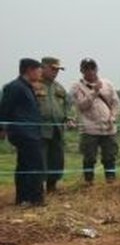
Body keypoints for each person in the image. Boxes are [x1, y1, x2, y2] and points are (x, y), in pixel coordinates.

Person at [0, 58, 48, 206]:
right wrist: (1, 128)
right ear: (29, 70)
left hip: (31, 131)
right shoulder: (15, 87)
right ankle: (34, 199)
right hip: (24, 133)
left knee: (25, 165)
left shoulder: (26, 86)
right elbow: (4, 109)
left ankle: (23, 199)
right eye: (39, 69)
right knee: (35, 165)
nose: (40, 73)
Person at [70, 58, 120, 185]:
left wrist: (113, 116)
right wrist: (94, 91)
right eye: (86, 68)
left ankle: (111, 181)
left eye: (92, 68)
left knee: (110, 156)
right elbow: (82, 105)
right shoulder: (77, 87)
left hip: (108, 128)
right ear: (82, 71)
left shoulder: (107, 83)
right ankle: (88, 182)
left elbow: (116, 102)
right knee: (89, 157)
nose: (90, 71)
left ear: (97, 69)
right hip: (89, 129)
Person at [36, 57, 71, 195]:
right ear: (43, 67)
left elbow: (66, 107)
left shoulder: (59, 88)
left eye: (58, 69)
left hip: (57, 129)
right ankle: (38, 188)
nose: (56, 72)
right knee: (40, 159)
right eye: (53, 69)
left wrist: (68, 118)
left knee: (56, 159)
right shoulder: (34, 85)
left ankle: (52, 186)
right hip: (40, 129)